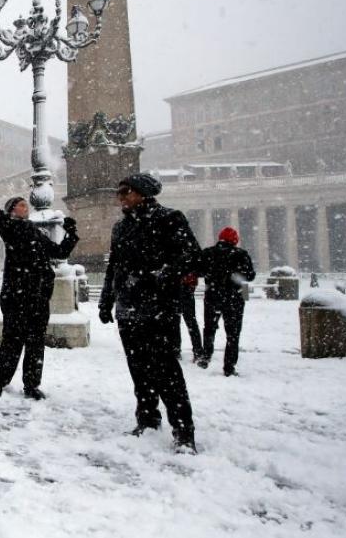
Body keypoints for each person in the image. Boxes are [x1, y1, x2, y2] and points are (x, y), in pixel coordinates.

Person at [98, 173, 200, 453]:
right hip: (128, 307)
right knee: (138, 368)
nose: (120, 197)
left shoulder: (169, 218)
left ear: (142, 193)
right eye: (118, 192)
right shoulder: (120, 228)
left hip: (158, 306)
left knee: (166, 370)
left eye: (125, 191)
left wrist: (161, 275)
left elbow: (191, 255)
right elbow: (114, 266)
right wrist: (106, 299)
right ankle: (147, 418)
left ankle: (183, 431)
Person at [0, 197, 79, 400]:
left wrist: (71, 234)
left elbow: (60, 252)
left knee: (35, 344)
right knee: (12, 341)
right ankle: (0, 381)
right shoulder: (9, 226)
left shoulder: (37, 232)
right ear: (12, 210)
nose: (26, 207)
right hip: (17, 295)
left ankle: (32, 385)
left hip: (39, 296)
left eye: (26, 204)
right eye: (21, 204)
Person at [198, 226, 256, 376]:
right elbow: (249, 276)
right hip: (233, 298)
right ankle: (229, 367)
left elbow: (199, 270)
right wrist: (235, 276)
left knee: (209, 328)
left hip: (212, 296)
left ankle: (206, 355)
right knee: (233, 334)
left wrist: (213, 275)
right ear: (235, 240)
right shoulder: (241, 255)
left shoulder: (208, 253)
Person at [179, 273, 204, 362]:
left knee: (176, 324)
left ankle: (176, 350)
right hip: (185, 288)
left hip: (181, 288)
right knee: (191, 324)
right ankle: (198, 351)